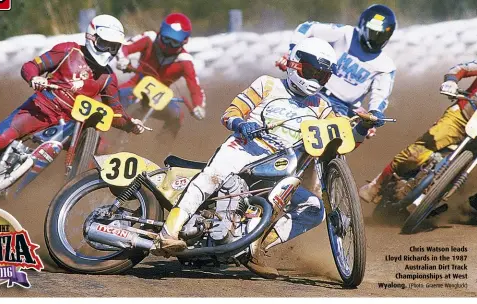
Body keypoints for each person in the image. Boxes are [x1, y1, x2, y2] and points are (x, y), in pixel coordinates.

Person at [151, 37, 383, 279]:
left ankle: (255, 248)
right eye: (312, 72)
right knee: (211, 177)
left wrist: (363, 127)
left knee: (314, 209)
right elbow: (230, 113)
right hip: (243, 150)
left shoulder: (322, 107)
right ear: (297, 65)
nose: (315, 81)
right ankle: (169, 232)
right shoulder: (267, 85)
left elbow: (343, 142)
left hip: (282, 170)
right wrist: (240, 123)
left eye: (322, 77)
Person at [0, 15, 147, 189]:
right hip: (40, 109)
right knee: (2, 138)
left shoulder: (109, 77)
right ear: (91, 37)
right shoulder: (68, 51)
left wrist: (130, 124)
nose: (108, 51)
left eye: (113, 46)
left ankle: (75, 197)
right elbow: (30, 66)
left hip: (69, 125)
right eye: (105, 44)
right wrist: (35, 78)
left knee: (100, 152)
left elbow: (115, 113)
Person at [359, 60, 477, 213]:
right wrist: (451, 82)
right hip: (462, 115)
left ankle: (455, 205)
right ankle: (377, 184)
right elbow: (460, 68)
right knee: (418, 152)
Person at [275, 4, 396, 126]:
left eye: (381, 36)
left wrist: (375, 113)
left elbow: (380, 96)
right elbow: (308, 27)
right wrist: (292, 53)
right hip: (314, 90)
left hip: (343, 109)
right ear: (363, 26)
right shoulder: (346, 33)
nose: (376, 39)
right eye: (372, 33)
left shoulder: (386, 66)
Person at [115, 12, 206, 139]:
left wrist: (198, 106)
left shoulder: (185, 61)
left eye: (174, 43)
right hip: (134, 86)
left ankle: (160, 152)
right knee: (112, 99)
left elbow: (195, 87)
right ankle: (99, 140)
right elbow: (124, 47)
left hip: (160, 98)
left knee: (177, 115)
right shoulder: (149, 38)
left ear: (184, 42)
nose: (168, 46)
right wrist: (122, 59)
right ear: (160, 33)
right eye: (166, 39)